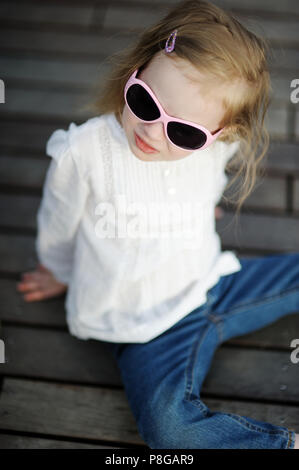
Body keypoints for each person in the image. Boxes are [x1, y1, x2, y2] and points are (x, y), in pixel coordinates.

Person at [16, 0, 299, 449]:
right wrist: (59, 271)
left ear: (220, 134)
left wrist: (199, 205)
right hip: (146, 328)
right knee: (171, 432)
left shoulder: (216, 146)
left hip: (213, 282)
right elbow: (58, 222)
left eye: (183, 132)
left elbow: (208, 173)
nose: (152, 131)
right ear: (135, 73)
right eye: (144, 102)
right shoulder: (83, 153)